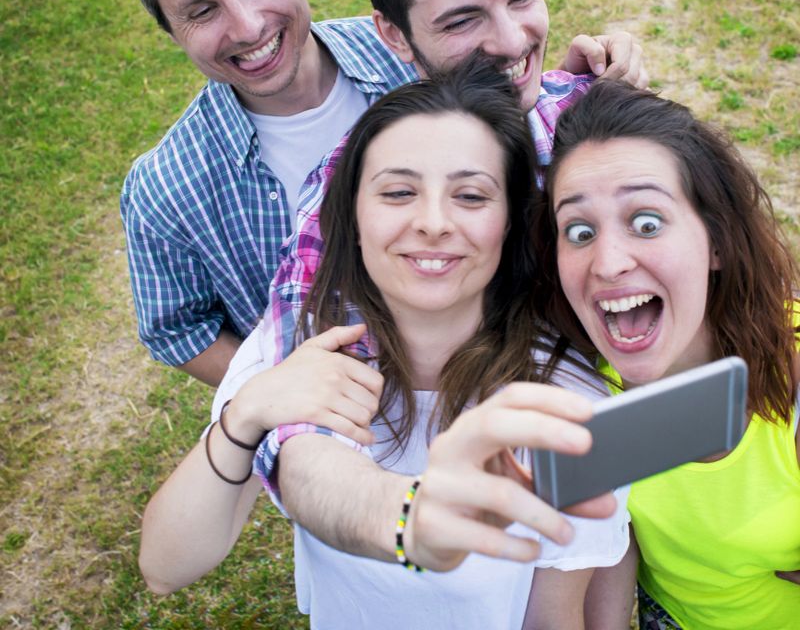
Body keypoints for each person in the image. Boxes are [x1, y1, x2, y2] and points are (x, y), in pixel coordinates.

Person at [118, 0, 647, 387]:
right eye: (202, 11)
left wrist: (583, 94)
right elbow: (177, 330)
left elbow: (507, 69)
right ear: (169, 27)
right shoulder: (164, 190)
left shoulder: (425, 45)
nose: (248, 25)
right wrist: (279, 393)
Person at [139, 59, 629, 629]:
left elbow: (554, 618)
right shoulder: (305, 353)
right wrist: (244, 415)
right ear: (349, 214)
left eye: (471, 196)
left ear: (512, 224)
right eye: (398, 192)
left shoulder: (565, 404)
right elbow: (164, 566)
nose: (433, 222)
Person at [530, 80, 800, 629]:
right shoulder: (576, 385)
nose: (607, 262)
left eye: (646, 223)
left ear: (716, 242)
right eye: (579, 231)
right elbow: (613, 536)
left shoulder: (792, 373)